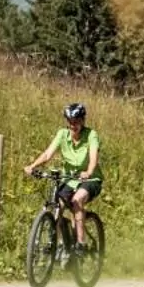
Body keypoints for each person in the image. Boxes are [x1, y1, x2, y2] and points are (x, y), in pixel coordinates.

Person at [24, 103, 102, 249]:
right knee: (57, 206)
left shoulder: (91, 135)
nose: (74, 125)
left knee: (77, 200)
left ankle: (81, 242)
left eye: (77, 121)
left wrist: (89, 172)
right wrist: (33, 166)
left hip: (90, 179)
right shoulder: (62, 134)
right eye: (71, 122)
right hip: (70, 179)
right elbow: (48, 154)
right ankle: (61, 244)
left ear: (83, 121)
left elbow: (93, 158)